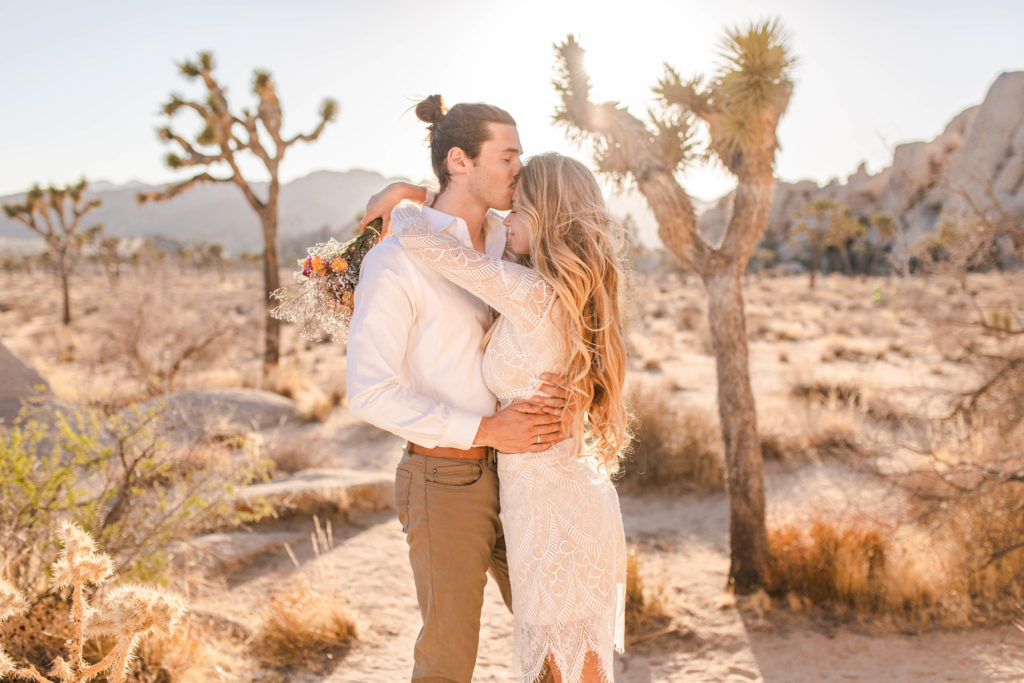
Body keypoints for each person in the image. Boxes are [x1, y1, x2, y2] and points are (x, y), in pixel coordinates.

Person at [346, 95, 569, 683]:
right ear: (460, 161)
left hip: (527, 474)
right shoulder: (396, 261)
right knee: (449, 660)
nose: (519, 170)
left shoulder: (513, 240)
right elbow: (368, 391)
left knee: (558, 634)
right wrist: (487, 428)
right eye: (508, 156)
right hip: (445, 479)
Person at [390, 152, 629, 683]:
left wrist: (410, 201)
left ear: (547, 218)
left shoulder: (532, 293)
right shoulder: (565, 291)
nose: (507, 220)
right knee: (565, 668)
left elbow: (423, 242)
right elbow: (495, 229)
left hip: (551, 513)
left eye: (518, 210)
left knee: (566, 669)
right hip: (558, 499)